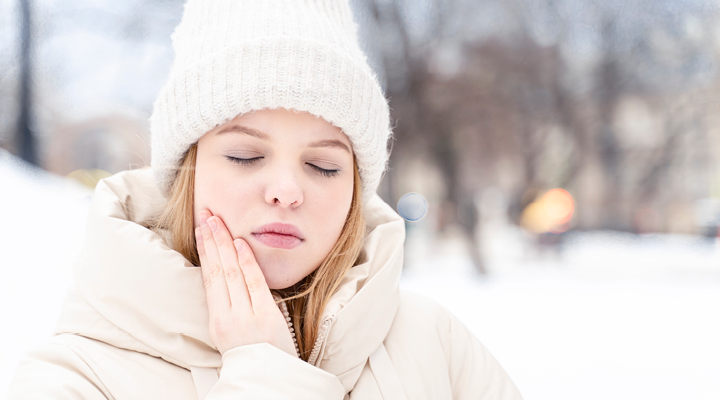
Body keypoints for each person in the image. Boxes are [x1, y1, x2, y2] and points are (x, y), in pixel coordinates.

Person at [9, 0, 523, 399]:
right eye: (245, 155)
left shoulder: (436, 347)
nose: (286, 190)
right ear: (185, 169)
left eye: (324, 165)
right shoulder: (73, 380)